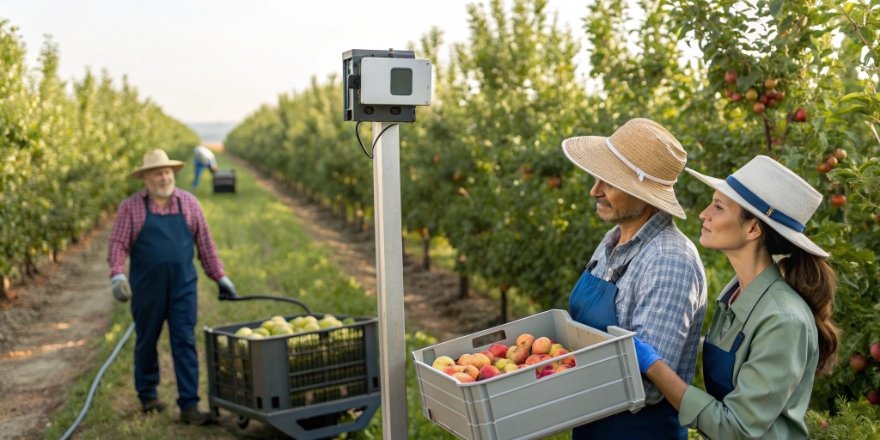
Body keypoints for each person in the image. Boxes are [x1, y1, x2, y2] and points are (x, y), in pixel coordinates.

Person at [634, 155, 839, 439]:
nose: (703, 214)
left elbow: (736, 428)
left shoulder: (783, 320)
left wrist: (653, 366)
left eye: (718, 207)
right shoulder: (733, 297)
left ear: (753, 228)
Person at [561, 118, 708, 439]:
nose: (594, 191)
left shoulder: (669, 260)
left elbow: (650, 386)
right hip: (592, 424)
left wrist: (560, 380)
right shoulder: (612, 241)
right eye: (597, 178)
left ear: (644, 194)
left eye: (609, 183)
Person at [108, 149, 238, 425]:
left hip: (183, 287)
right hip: (147, 289)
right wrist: (117, 275)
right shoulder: (131, 207)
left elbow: (205, 245)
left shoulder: (189, 203)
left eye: (167, 172)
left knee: (185, 341)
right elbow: (118, 244)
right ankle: (148, 396)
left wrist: (219, 277)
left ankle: (189, 405)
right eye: (157, 173)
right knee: (146, 340)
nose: (164, 178)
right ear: (145, 178)